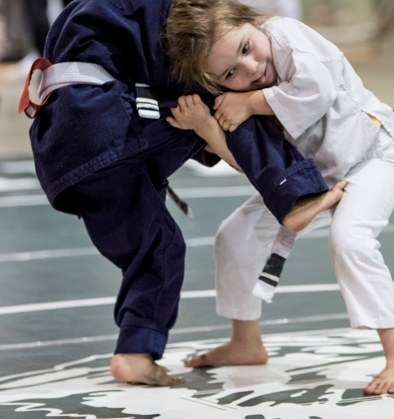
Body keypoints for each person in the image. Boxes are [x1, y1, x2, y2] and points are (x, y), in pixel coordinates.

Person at [19, 0, 344, 387]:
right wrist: (250, 101)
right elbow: (186, 54)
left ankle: (134, 353)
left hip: (61, 146)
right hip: (101, 120)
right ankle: (296, 195)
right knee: (225, 105)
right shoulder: (164, 13)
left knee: (158, 244)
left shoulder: (99, 13)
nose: (253, 70)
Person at [163, 0, 394, 395]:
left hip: (373, 155)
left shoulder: (287, 37)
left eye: (247, 48)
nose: (250, 69)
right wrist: (207, 128)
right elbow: (255, 167)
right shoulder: (238, 95)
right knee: (235, 235)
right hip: (314, 180)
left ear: (252, 23)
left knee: (350, 240)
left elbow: (315, 91)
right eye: (231, 72)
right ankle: (245, 342)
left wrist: (249, 102)